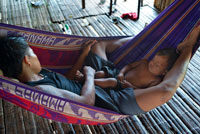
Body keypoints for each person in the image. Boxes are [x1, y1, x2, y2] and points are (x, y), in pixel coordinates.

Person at [0, 26, 199, 115]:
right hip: (106, 100)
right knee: (165, 91)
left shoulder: (40, 73)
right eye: (33, 53)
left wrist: (82, 56)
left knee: (99, 45)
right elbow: (86, 102)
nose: (37, 56)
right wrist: (89, 75)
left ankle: (150, 38)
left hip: (89, 81)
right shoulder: (42, 90)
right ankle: (186, 50)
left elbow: (67, 79)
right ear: (27, 60)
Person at [75, 48, 179, 89]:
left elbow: (144, 91)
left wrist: (131, 86)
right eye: (153, 60)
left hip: (123, 86)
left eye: (157, 65)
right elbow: (129, 66)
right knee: (103, 73)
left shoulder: (156, 80)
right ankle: (86, 76)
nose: (152, 64)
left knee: (111, 81)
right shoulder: (144, 62)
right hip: (119, 75)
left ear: (164, 72)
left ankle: (85, 79)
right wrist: (121, 72)